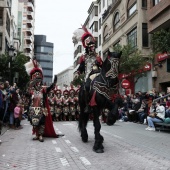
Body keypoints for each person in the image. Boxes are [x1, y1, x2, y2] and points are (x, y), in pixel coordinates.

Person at [24, 58, 59, 142]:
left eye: (38, 77)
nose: (37, 80)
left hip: (42, 108)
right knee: (34, 122)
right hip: (33, 107)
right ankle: (36, 134)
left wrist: (54, 82)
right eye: (35, 77)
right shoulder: (31, 89)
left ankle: (40, 135)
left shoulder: (43, 89)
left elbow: (50, 88)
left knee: (42, 122)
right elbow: (26, 94)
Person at [73, 26, 103, 113]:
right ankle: (87, 105)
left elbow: (102, 66)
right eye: (91, 46)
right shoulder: (84, 57)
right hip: (88, 76)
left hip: (98, 75)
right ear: (88, 47)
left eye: (94, 46)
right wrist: (77, 73)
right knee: (86, 87)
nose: (93, 48)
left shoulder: (97, 56)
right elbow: (81, 68)